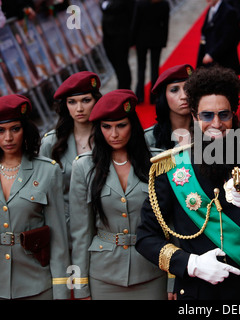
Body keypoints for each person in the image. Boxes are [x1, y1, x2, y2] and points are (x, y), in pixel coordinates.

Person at [136, 66, 240, 300]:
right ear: (195, 117)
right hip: (198, 292)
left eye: (224, 115)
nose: (216, 123)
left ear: (233, 114)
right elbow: (146, 237)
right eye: (207, 116)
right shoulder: (171, 166)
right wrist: (190, 263)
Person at [69, 89, 166, 299]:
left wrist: (174, 279)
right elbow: (80, 232)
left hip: (152, 268)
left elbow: (171, 224)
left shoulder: (157, 163)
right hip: (103, 275)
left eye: (121, 125)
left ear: (133, 125)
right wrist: (80, 285)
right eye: (106, 127)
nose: (114, 134)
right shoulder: (84, 167)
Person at [0, 94, 71, 299]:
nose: (8, 138)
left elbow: (58, 238)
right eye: (1, 131)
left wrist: (61, 291)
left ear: (26, 130)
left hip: (36, 285)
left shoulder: (47, 171)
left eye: (15, 129)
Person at [40, 71, 102, 232]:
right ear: (65, 105)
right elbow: (41, 192)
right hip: (67, 228)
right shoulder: (51, 143)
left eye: (86, 100)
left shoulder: (110, 137)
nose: (79, 108)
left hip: (105, 226)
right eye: (72, 102)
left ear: (96, 101)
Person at [144, 64, 194, 150]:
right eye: (174, 90)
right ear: (164, 97)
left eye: (188, 88)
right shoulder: (150, 138)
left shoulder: (208, 131)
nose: (184, 96)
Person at [131, 0, 170, 104]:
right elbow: (165, 24)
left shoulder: (140, 3)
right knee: (154, 68)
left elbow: (135, 22)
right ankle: (154, 96)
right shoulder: (164, 4)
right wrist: (164, 40)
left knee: (141, 68)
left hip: (141, 39)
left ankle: (139, 96)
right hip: (156, 39)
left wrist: (132, 40)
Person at [196, 0, 240, 75]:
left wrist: (212, 55)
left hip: (225, 64)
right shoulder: (210, 9)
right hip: (211, 63)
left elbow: (228, 39)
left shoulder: (229, 11)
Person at [101, 0, 135, 89]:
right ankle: (122, 87)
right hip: (107, 37)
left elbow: (132, 15)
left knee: (122, 64)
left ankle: (125, 88)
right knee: (115, 64)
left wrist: (132, 38)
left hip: (121, 36)